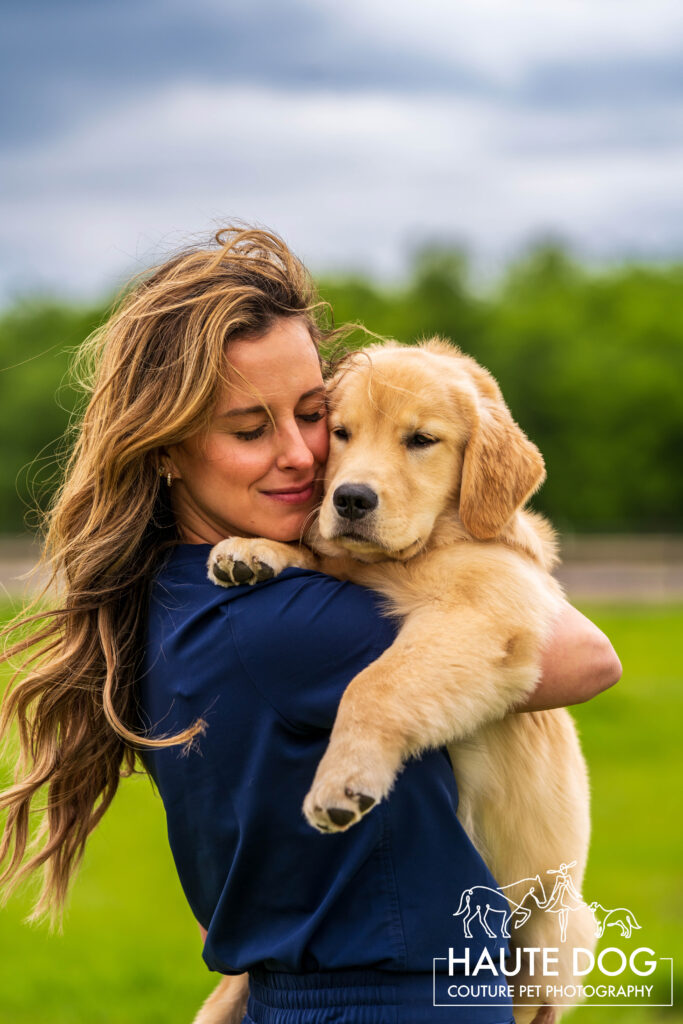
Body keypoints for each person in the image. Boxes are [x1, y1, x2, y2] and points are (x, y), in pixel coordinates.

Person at [0, 226, 621, 1024]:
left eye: (313, 414)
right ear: (163, 450)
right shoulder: (291, 627)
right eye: (249, 430)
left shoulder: (184, 596)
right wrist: (494, 547)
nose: (303, 456)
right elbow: (576, 655)